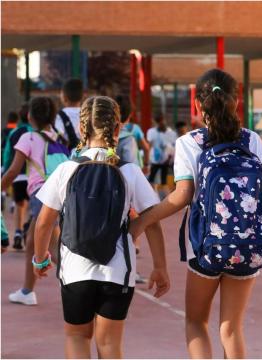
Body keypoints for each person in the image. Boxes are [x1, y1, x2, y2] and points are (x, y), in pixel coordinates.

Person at [129, 69, 262, 358]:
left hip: (204, 245)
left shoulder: (189, 143)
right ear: (236, 103)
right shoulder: (252, 141)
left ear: (198, 105)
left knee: (196, 321)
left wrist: (142, 221)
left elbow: (181, 196)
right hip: (249, 245)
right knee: (232, 328)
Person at [31, 96, 169, 358]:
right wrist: (160, 267)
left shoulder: (66, 170)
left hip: (74, 272)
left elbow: (43, 223)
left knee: (77, 337)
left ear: (82, 129)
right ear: (118, 128)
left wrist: (40, 260)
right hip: (117, 272)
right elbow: (152, 220)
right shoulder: (129, 171)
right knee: (109, 344)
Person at [1, 97, 68, 305]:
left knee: (54, 247)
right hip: (60, 192)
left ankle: (78, 282)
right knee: (32, 243)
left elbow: (13, 170)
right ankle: (27, 291)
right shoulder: (59, 137)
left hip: (43, 195)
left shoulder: (28, 138)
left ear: (30, 116)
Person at [2, 105, 32, 250]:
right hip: (34, 177)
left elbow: (8, 154)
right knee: (32, 207)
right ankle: (29, 228)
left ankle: (18, 233)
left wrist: (6, 171)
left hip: (18, 175)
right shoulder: (38, 132)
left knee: (19, 204)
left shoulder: (15, 132)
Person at [146, 112, 178, 197]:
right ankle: (166, 198)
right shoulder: (171, 133)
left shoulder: (152, 132)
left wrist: (147, 161)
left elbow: (149, 146)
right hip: (162, 160)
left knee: (153, 180)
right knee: (158, 180)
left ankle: (157, 198)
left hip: (160, 160)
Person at [54, 79, 84, 151]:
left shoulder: (60, 116)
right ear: (82, 97)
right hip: (86, 154)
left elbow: (58, 136)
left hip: (68, 155)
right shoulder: (87, 114)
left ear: (64, 97)